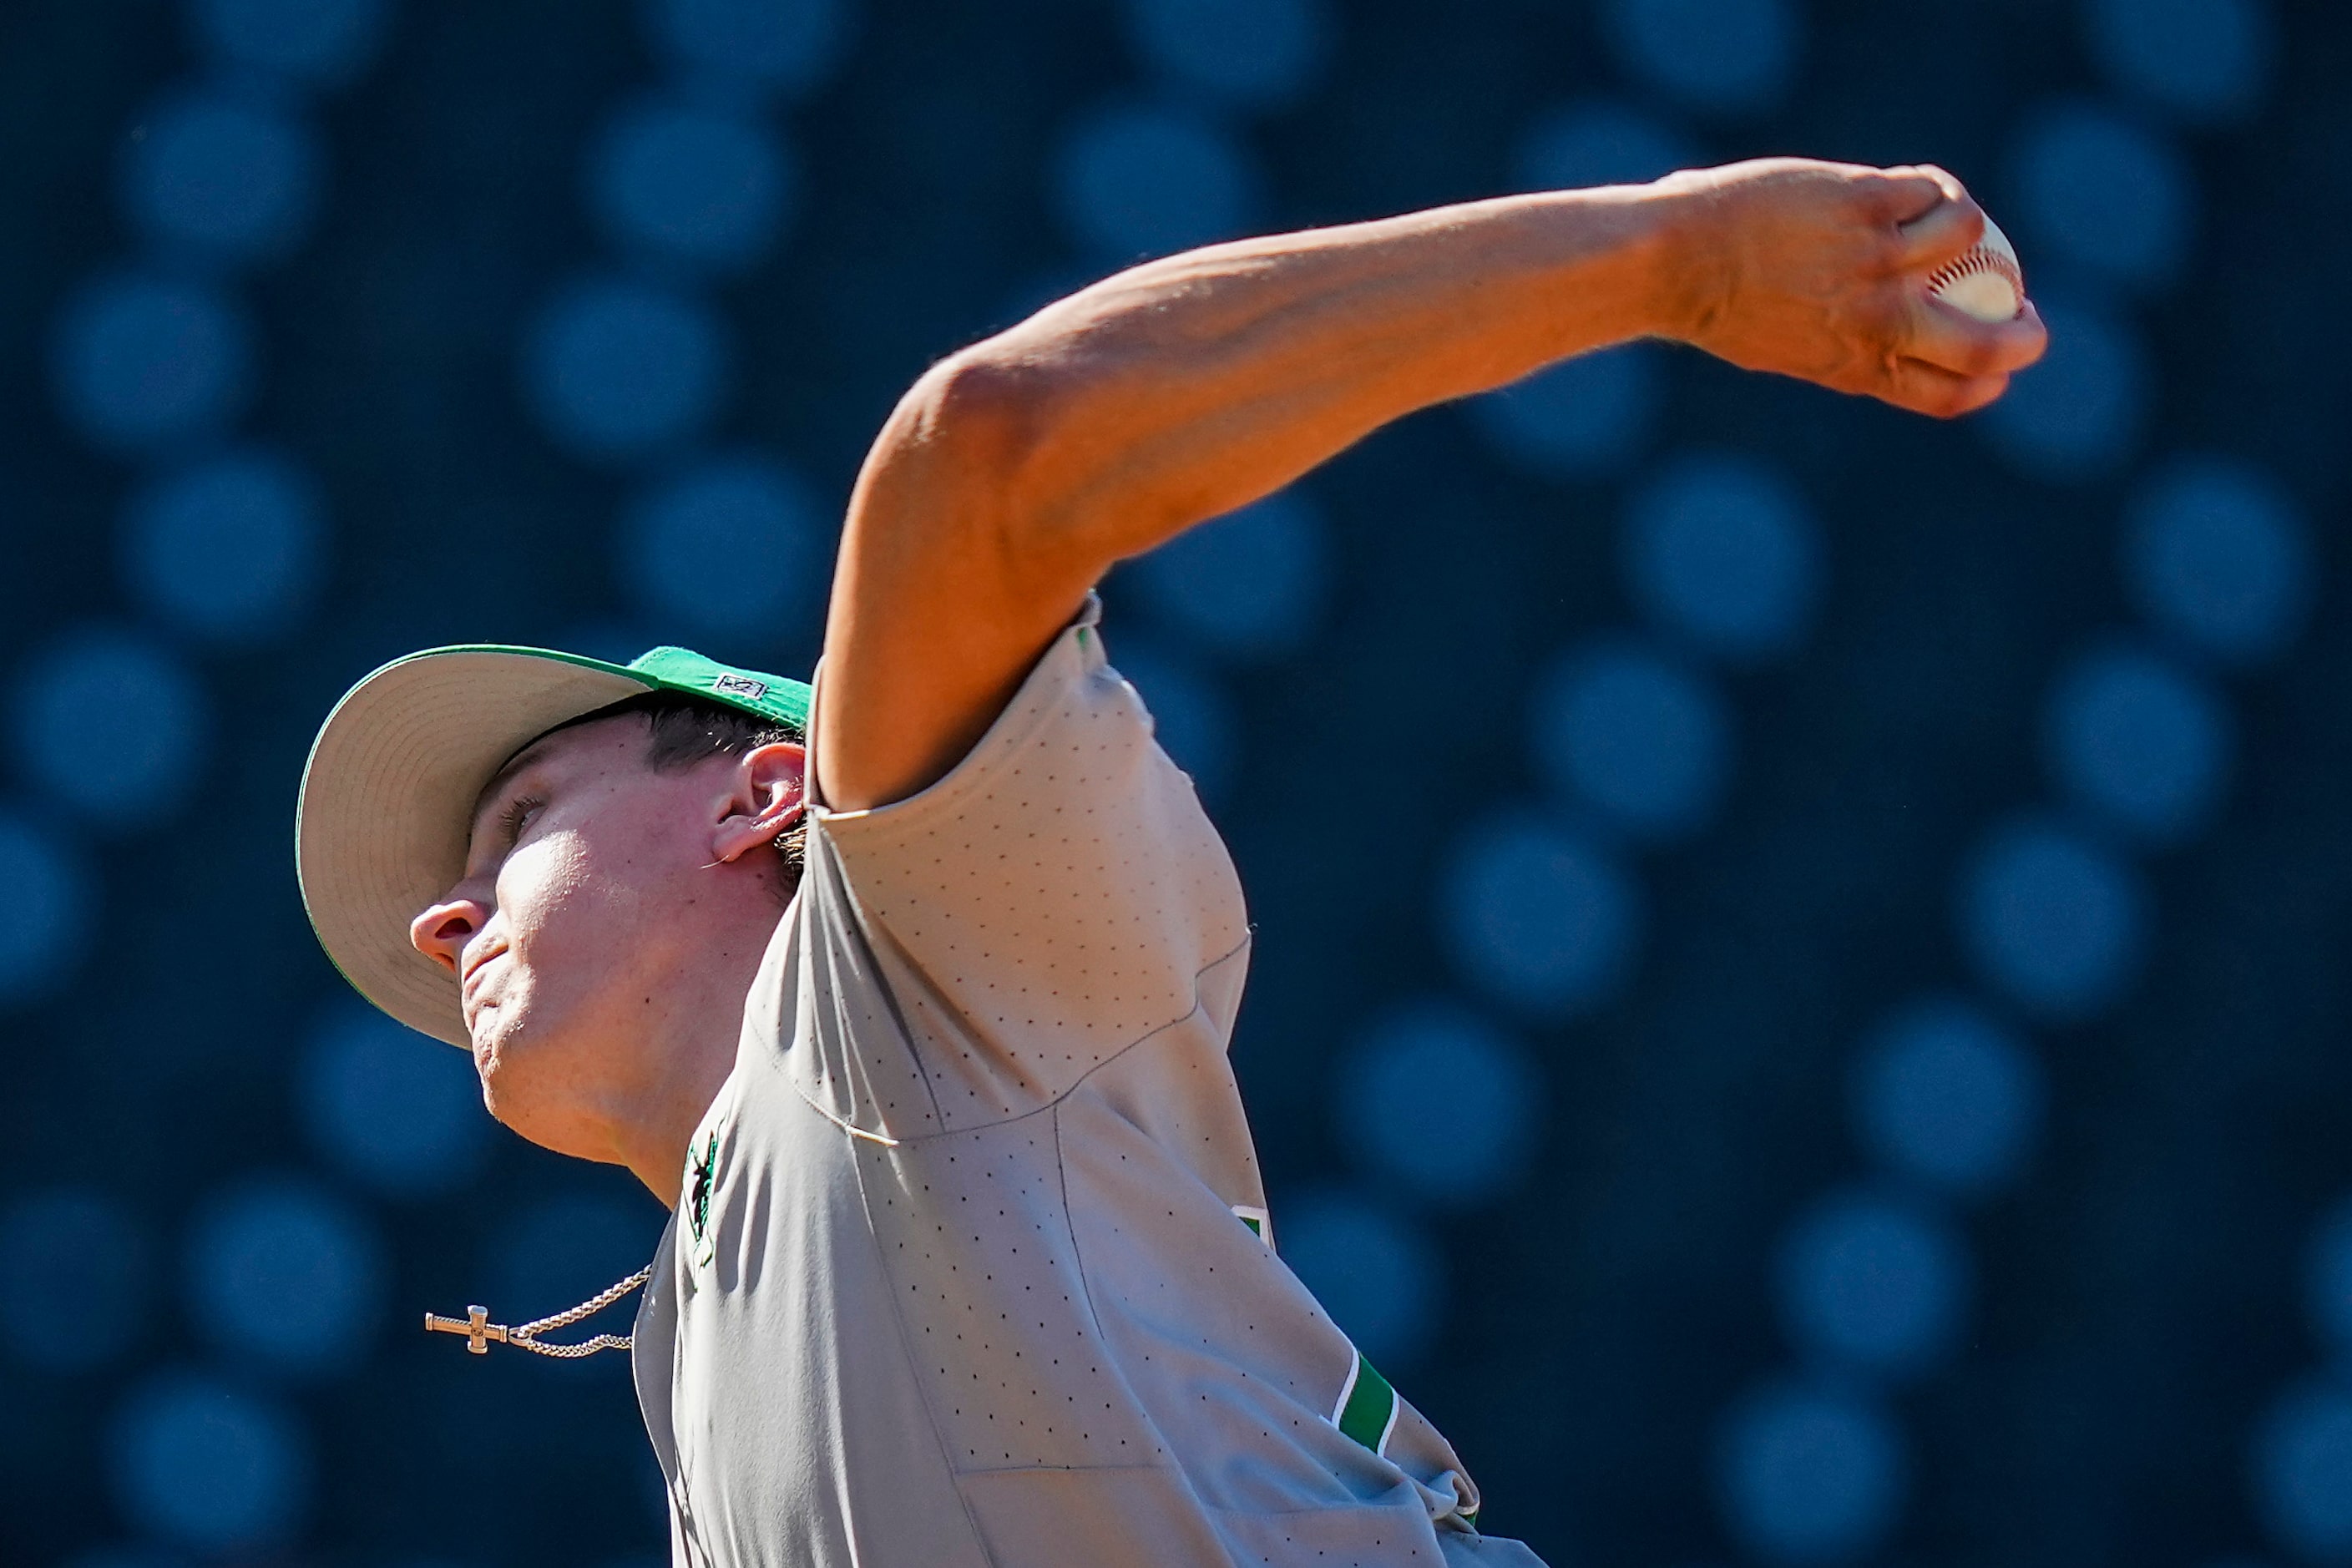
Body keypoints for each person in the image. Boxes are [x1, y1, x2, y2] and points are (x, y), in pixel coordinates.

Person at [296, 156, 2045, 1566]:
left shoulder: (905, 993)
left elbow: (983, 452)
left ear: (767, 799)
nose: (445, 912)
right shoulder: (695, 1347)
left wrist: (1675, 261)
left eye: (522, 818)